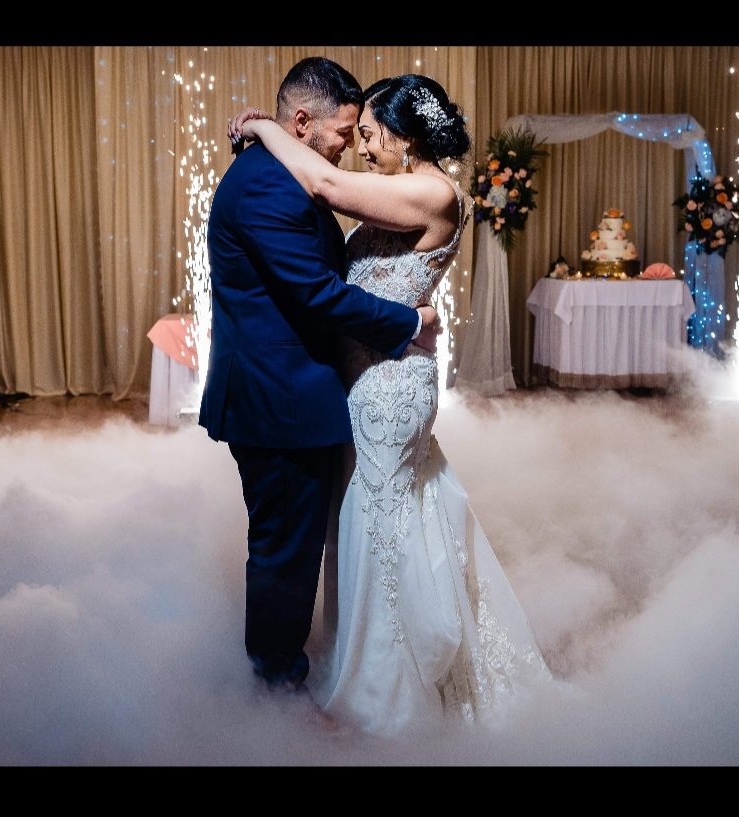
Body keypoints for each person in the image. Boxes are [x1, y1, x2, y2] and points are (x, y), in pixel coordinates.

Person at [233, 74, 553, 736]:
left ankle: (384, 695)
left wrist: (263, 129)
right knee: (381, 522)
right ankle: (375, 661)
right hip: (368, 384)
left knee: (377, 531)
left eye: (372, 135)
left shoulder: (429, 189)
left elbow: (324, 186)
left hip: (386, 389)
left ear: (406, 136)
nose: (364, 149)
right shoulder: (411, 189)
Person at [199, 57, 442, 697]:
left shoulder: (281, 172)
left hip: (299, 392)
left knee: (301, 541)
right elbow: (315, 294)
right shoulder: (266, 185)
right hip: (278, 398)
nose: (346, 148)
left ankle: (296, 663)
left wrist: (260, 125)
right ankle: (275, 684)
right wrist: (405, 319)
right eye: (341, 132)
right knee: (285, 547)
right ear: (302, 123)